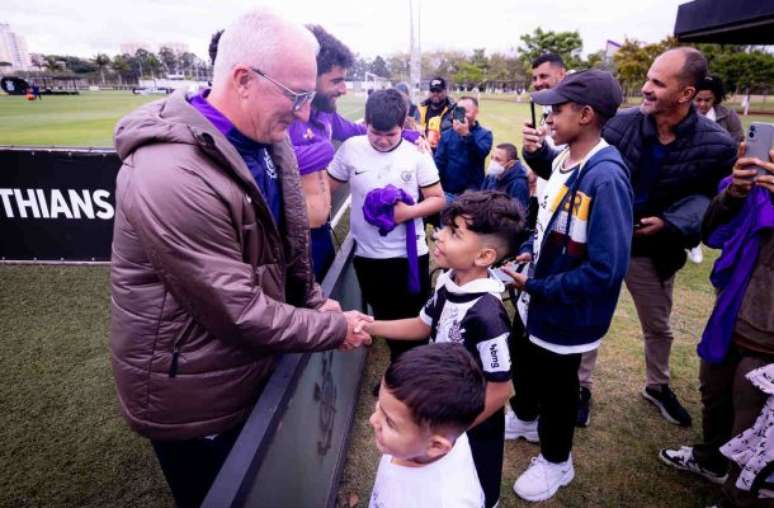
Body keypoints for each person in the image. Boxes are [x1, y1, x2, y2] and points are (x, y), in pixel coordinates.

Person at [109, 10, 372, 508]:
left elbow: (290, 248)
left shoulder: (270, 139)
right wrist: (334, 329)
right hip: (192, 391)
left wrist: (315, 302)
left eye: (307, 97)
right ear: (244, 80)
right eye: (296, 96)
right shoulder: (170, 174)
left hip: (245, 362)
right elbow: (238, 311)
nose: (302, 114)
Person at [522, 47, 738, 427]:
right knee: (585, 316)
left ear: (686, 94)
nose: (646, 88)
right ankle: (580, 387)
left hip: (654, 249)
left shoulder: (717, 144)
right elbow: (569, 171)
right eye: (648, 78)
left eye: (657, 82)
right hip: (596, 244)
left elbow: (710, 202)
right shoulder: (618, 125)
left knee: (658, 325)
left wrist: (672, 226)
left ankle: (657, 384)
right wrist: (537, 154)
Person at [505, 70, 633, 502]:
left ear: (585, 114)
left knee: (559, 389)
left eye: (556, 110)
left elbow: (606, 269)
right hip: (539, 294)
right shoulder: (563, 159)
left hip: (564, 306)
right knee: (523, 358)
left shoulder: (606, 177)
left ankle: (558, 461)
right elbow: (550, 222)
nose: (547, 117)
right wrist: (529, 251)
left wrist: (540, 285)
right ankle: (523, 417)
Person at [363, 191, 524, 507]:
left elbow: (501, 389)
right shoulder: (447, 283)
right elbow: (422, 325)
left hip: (468, 425)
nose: (439, 235)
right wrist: (368, 325)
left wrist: (455, 430)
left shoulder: (488, 314)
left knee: (471, 485)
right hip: (438, 416)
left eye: (454, 233)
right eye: (444, 228)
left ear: (484, 256)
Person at [659, 145, 774, 508]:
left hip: (769, 337)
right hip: (735, 309)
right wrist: (735, 193)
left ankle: (736, 499)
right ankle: (710, 460)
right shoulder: (759, 185)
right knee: (714, 390)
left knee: (754, 421)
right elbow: (712, 233)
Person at [287, 26, 423, 282]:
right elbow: (266, 161)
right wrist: (322, 151)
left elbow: (361, 131)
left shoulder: (326, 115)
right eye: (336, 81)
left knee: (326, 296)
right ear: (309, 75)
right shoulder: (283, 117)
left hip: (321, 233)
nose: (344, 89)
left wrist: (406, 135)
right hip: (290, 240)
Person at [327, 89, 445, 362]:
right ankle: (400, 370)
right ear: (366, 123)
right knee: (385, 318)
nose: (381, 141)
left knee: (414, 325)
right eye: (375, 132)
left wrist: (406, 213)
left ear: (403, 125)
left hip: (408, 258)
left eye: (390, 134)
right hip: (368, 257)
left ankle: (407, 375)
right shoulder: (351, 148)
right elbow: (327, 188)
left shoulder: (416, 154)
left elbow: (438, 199)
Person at [368, 342, 487, 508]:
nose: (373, 420)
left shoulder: (445, 502)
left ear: (436, 446)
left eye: (389, 422)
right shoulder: (438, 435)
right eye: (380, 405)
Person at [434, 96, 493, 200]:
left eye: (466, 111)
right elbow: (439, 162)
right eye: (459, 110)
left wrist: (466, 134)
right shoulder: (447, 134)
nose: (462, 114)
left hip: (472, 194)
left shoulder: (485, 134)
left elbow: (480, 154)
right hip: (447, 191)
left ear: (476, 112)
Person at [480, 142, 530, 211]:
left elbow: (519, 214)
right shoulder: (491, 176)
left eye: (498, 159)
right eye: (492, 158)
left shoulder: (518, 184)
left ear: (511, 164)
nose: (493, 162)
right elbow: (481, 199)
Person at [695, 75, 744, 144]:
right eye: (699, 100)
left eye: (707, 100)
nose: (702, 104)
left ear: (715, 97)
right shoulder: (685, 113)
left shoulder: (728, 114)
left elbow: (738, 137)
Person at [418, 76, 455, 150]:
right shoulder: (420, 108)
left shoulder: (455, 109)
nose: (435, 93)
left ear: (445, 91)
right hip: (423, 151)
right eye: (432, 91)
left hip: (446, 152)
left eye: (438, 91)